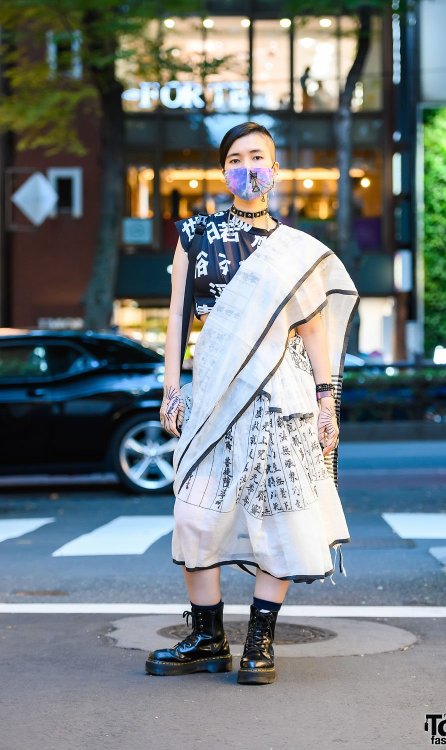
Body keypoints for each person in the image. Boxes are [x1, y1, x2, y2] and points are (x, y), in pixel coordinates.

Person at [145, 122, 359, 685]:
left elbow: (313, 332)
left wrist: (327, 403)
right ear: (224, 174)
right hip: (212, 390)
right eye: (236, 159)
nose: (248, 167)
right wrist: (171, 390)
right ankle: (207, 637)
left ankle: (260, 642)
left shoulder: (296, 252)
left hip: (281, 396)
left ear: (276, 170)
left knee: (278, 516)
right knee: (194, 512)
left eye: (258, 157)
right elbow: (176, 320)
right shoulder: (193, 234)